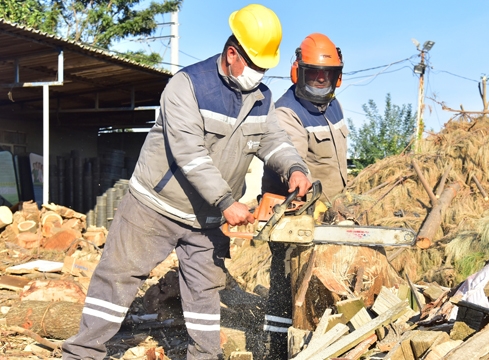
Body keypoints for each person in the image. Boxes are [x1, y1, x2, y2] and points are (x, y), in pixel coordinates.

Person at [62, 4, 312, 360]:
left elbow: (275, 140)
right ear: (232, 54)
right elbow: (190, 154)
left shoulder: (260, 99)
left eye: (265, 67)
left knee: (204, 293)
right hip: (155, 206)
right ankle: (82, 353)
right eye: (255, 66)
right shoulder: (187, 86)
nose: (260, 74)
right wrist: (227, 202)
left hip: (206, 218)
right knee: (117, 279)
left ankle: (204, 357)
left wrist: (295, 168)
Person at [261, 33, 347, 360]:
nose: (321, 81)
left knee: (319, 287)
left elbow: (335, 163)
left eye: (327, 74)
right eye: (314, 74)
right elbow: (297, 167)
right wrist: (318, 202)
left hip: (331, 211)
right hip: (294, 213)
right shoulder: (286, 113)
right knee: (287, 288)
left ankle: (318, 345)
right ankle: (275, 351)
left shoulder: (334, 106)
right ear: (299, 72)